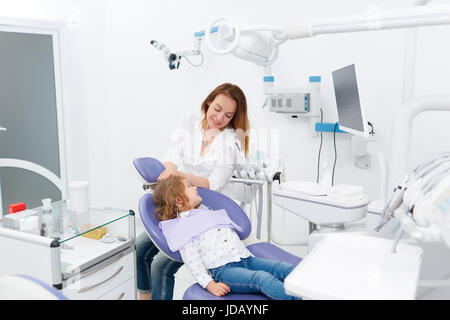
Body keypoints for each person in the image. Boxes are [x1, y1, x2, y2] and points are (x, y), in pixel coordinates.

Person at [137, 83, 250, 300]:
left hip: (207, 212)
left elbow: (215, 181)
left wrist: (180, 175)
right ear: (208, 101)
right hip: (181, 204)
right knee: (141, 249)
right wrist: (169, 168)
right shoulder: (188, 122)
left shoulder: (231, 141)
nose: (219, 118)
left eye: (228, 115)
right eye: (217, 109)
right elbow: (172, 153)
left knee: (161, 266)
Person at [153, 176, 299, 300]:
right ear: (179, 200)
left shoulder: (205, 212)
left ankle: (312, 287)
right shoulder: (183, 227)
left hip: (246, 259)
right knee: (261, 278)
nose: (195, 188)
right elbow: (193, 262)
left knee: (281, 267)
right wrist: (209, 284)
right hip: (224, 271)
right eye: (189, 186)